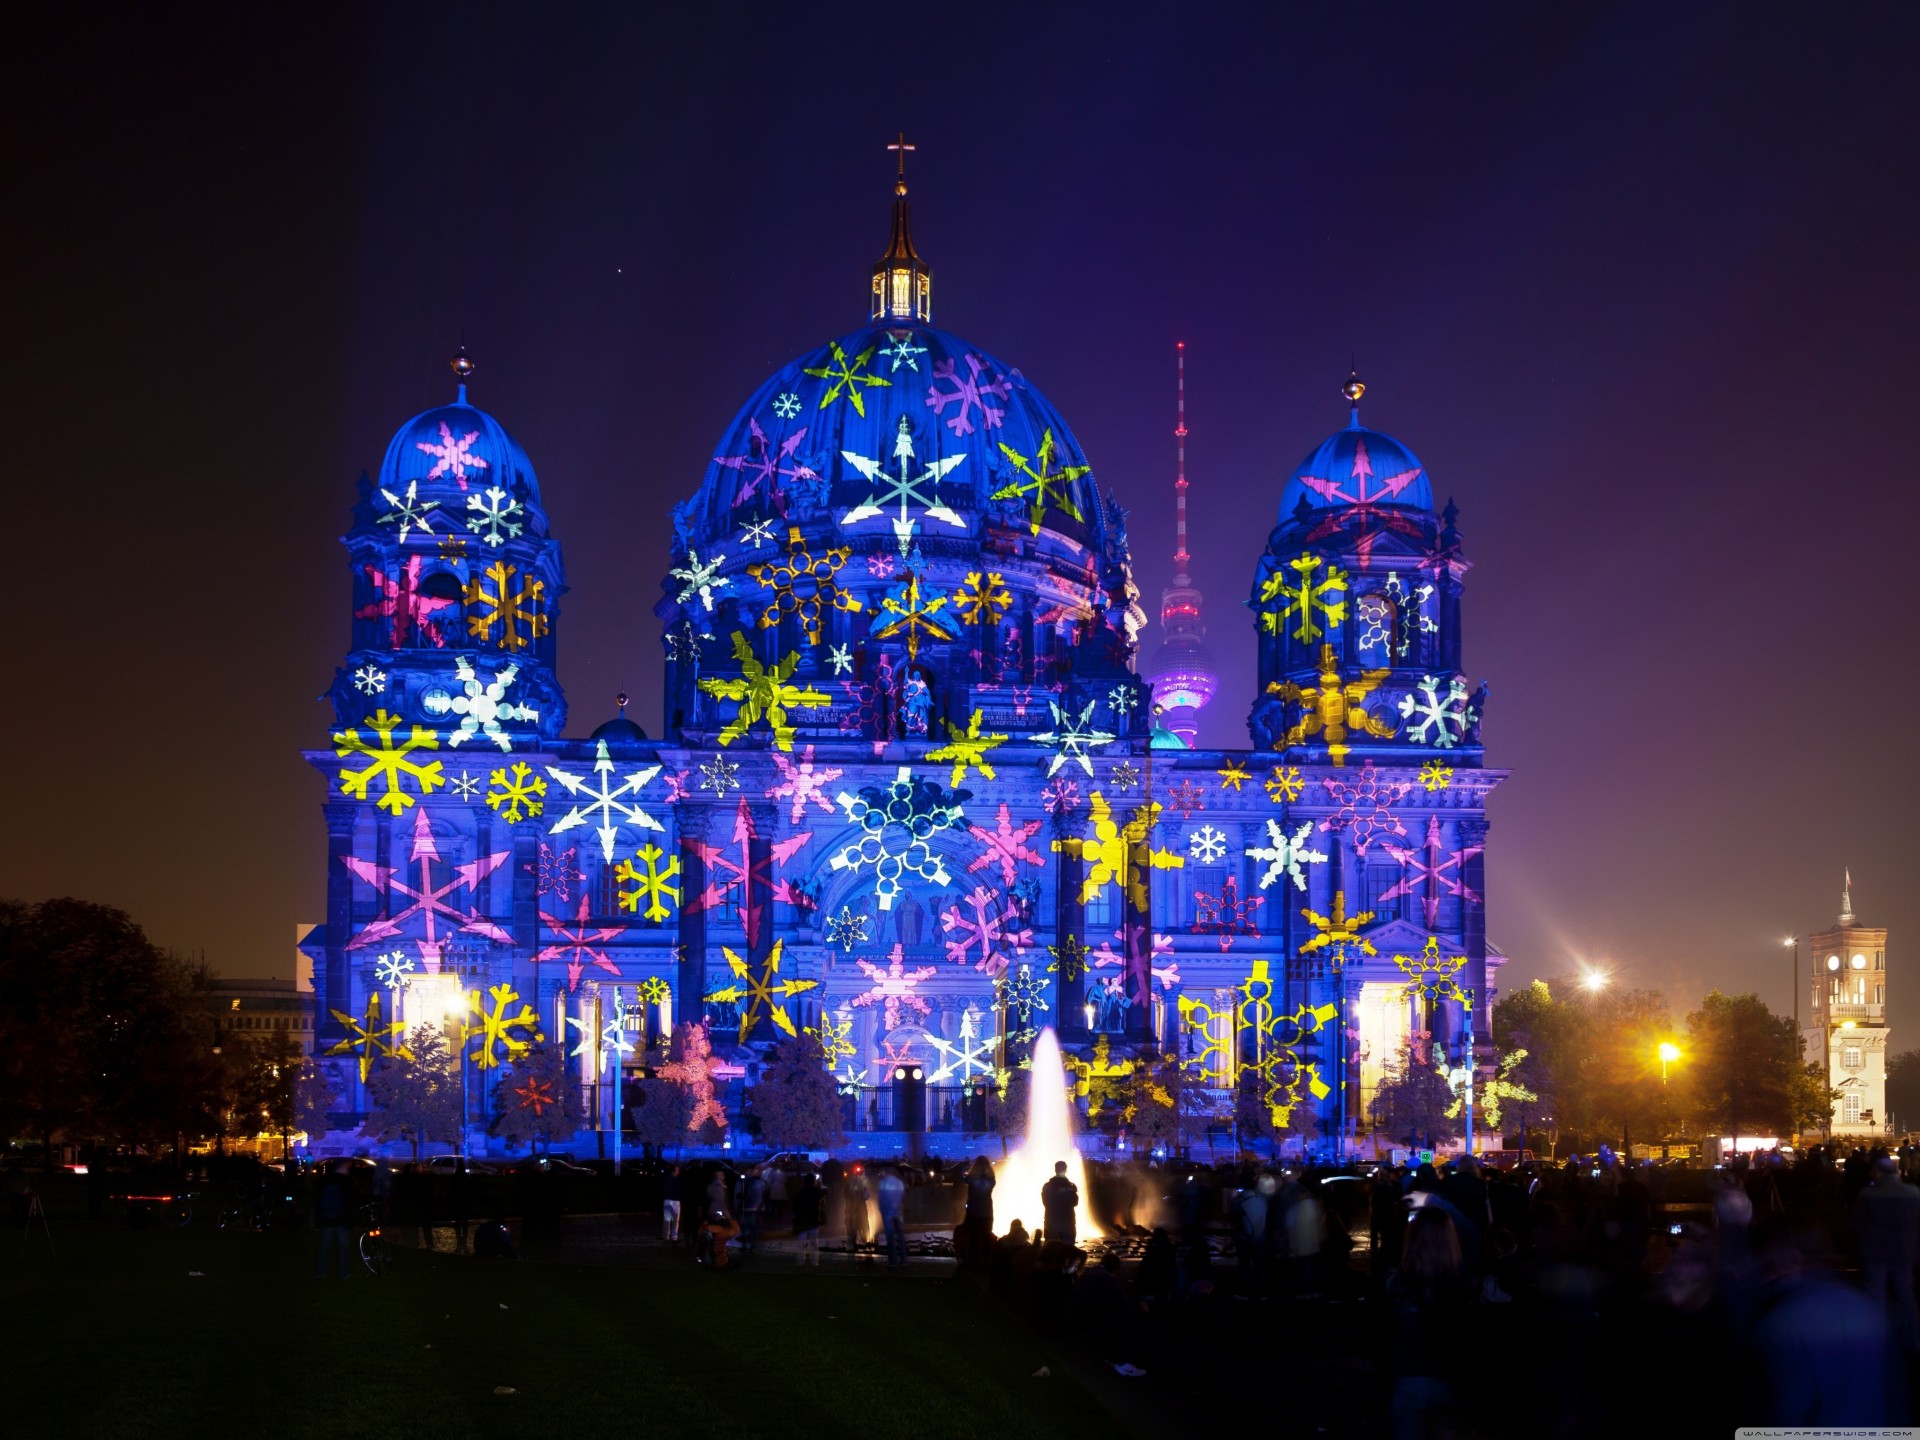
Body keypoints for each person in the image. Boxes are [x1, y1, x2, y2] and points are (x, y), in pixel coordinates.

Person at [1853, 1154, 1920, 1353]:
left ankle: (1876, 1341)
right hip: (1904, 1250)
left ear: (1878, 1172)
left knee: (1875, 1296)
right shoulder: (1913, 1193)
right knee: (1905, 1296)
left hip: (1875, 1250)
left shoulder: (1868, 1194)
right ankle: (1913, 1339)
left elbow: (1857, 1222)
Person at [313, 1161, 353, 1278]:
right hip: (342, 1219)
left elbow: (317, 1200)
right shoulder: (346, 1181)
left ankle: (320, 1272)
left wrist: (318, 1219)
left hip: (326, 1219)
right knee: (343, 1248)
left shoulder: (323, 1180)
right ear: (340, 1168)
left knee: (324, 1247)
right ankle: (343, 1273)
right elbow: (349, 1201)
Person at [875, 1166, 908, 1267]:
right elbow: (902, 1198)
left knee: (890, 1237)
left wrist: (881, 1209)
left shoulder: (883, 1183)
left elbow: (881, 1198)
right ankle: (903, 1260)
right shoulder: (899, 1183)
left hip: (887, 1213)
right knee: (900, 1236)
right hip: (898, 1212)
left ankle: (893, 1262)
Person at [1041, 1160, 1079, 1246]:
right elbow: (1075, 1202)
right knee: (1067, 1250)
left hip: (1051, 1222)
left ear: (1055, 1170)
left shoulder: (1047, 1186)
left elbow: (1045, 1202)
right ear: (1065, 1170)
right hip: (1068, 1222)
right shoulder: (1071, 1186)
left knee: (1051, 1250)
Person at [791, 1170, 823, 1265]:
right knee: (814, 1242)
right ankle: (814, 1261)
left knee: (802, 1243)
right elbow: (824, 1196)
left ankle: (801, 1260)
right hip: (813, 1220)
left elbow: (795, 1207)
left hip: (802, 1220)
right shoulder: (817, 1192)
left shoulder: (800, 1192)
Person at [661, 1164, 682, 1243]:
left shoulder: (666, 1179)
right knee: (675, 1220)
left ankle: (665, 1236)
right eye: (677, 1171)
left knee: (666, 1220)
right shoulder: (676, 1180)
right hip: (675, 1201)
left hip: (667, 1200)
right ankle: (674, 1237)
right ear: (674, 1171)